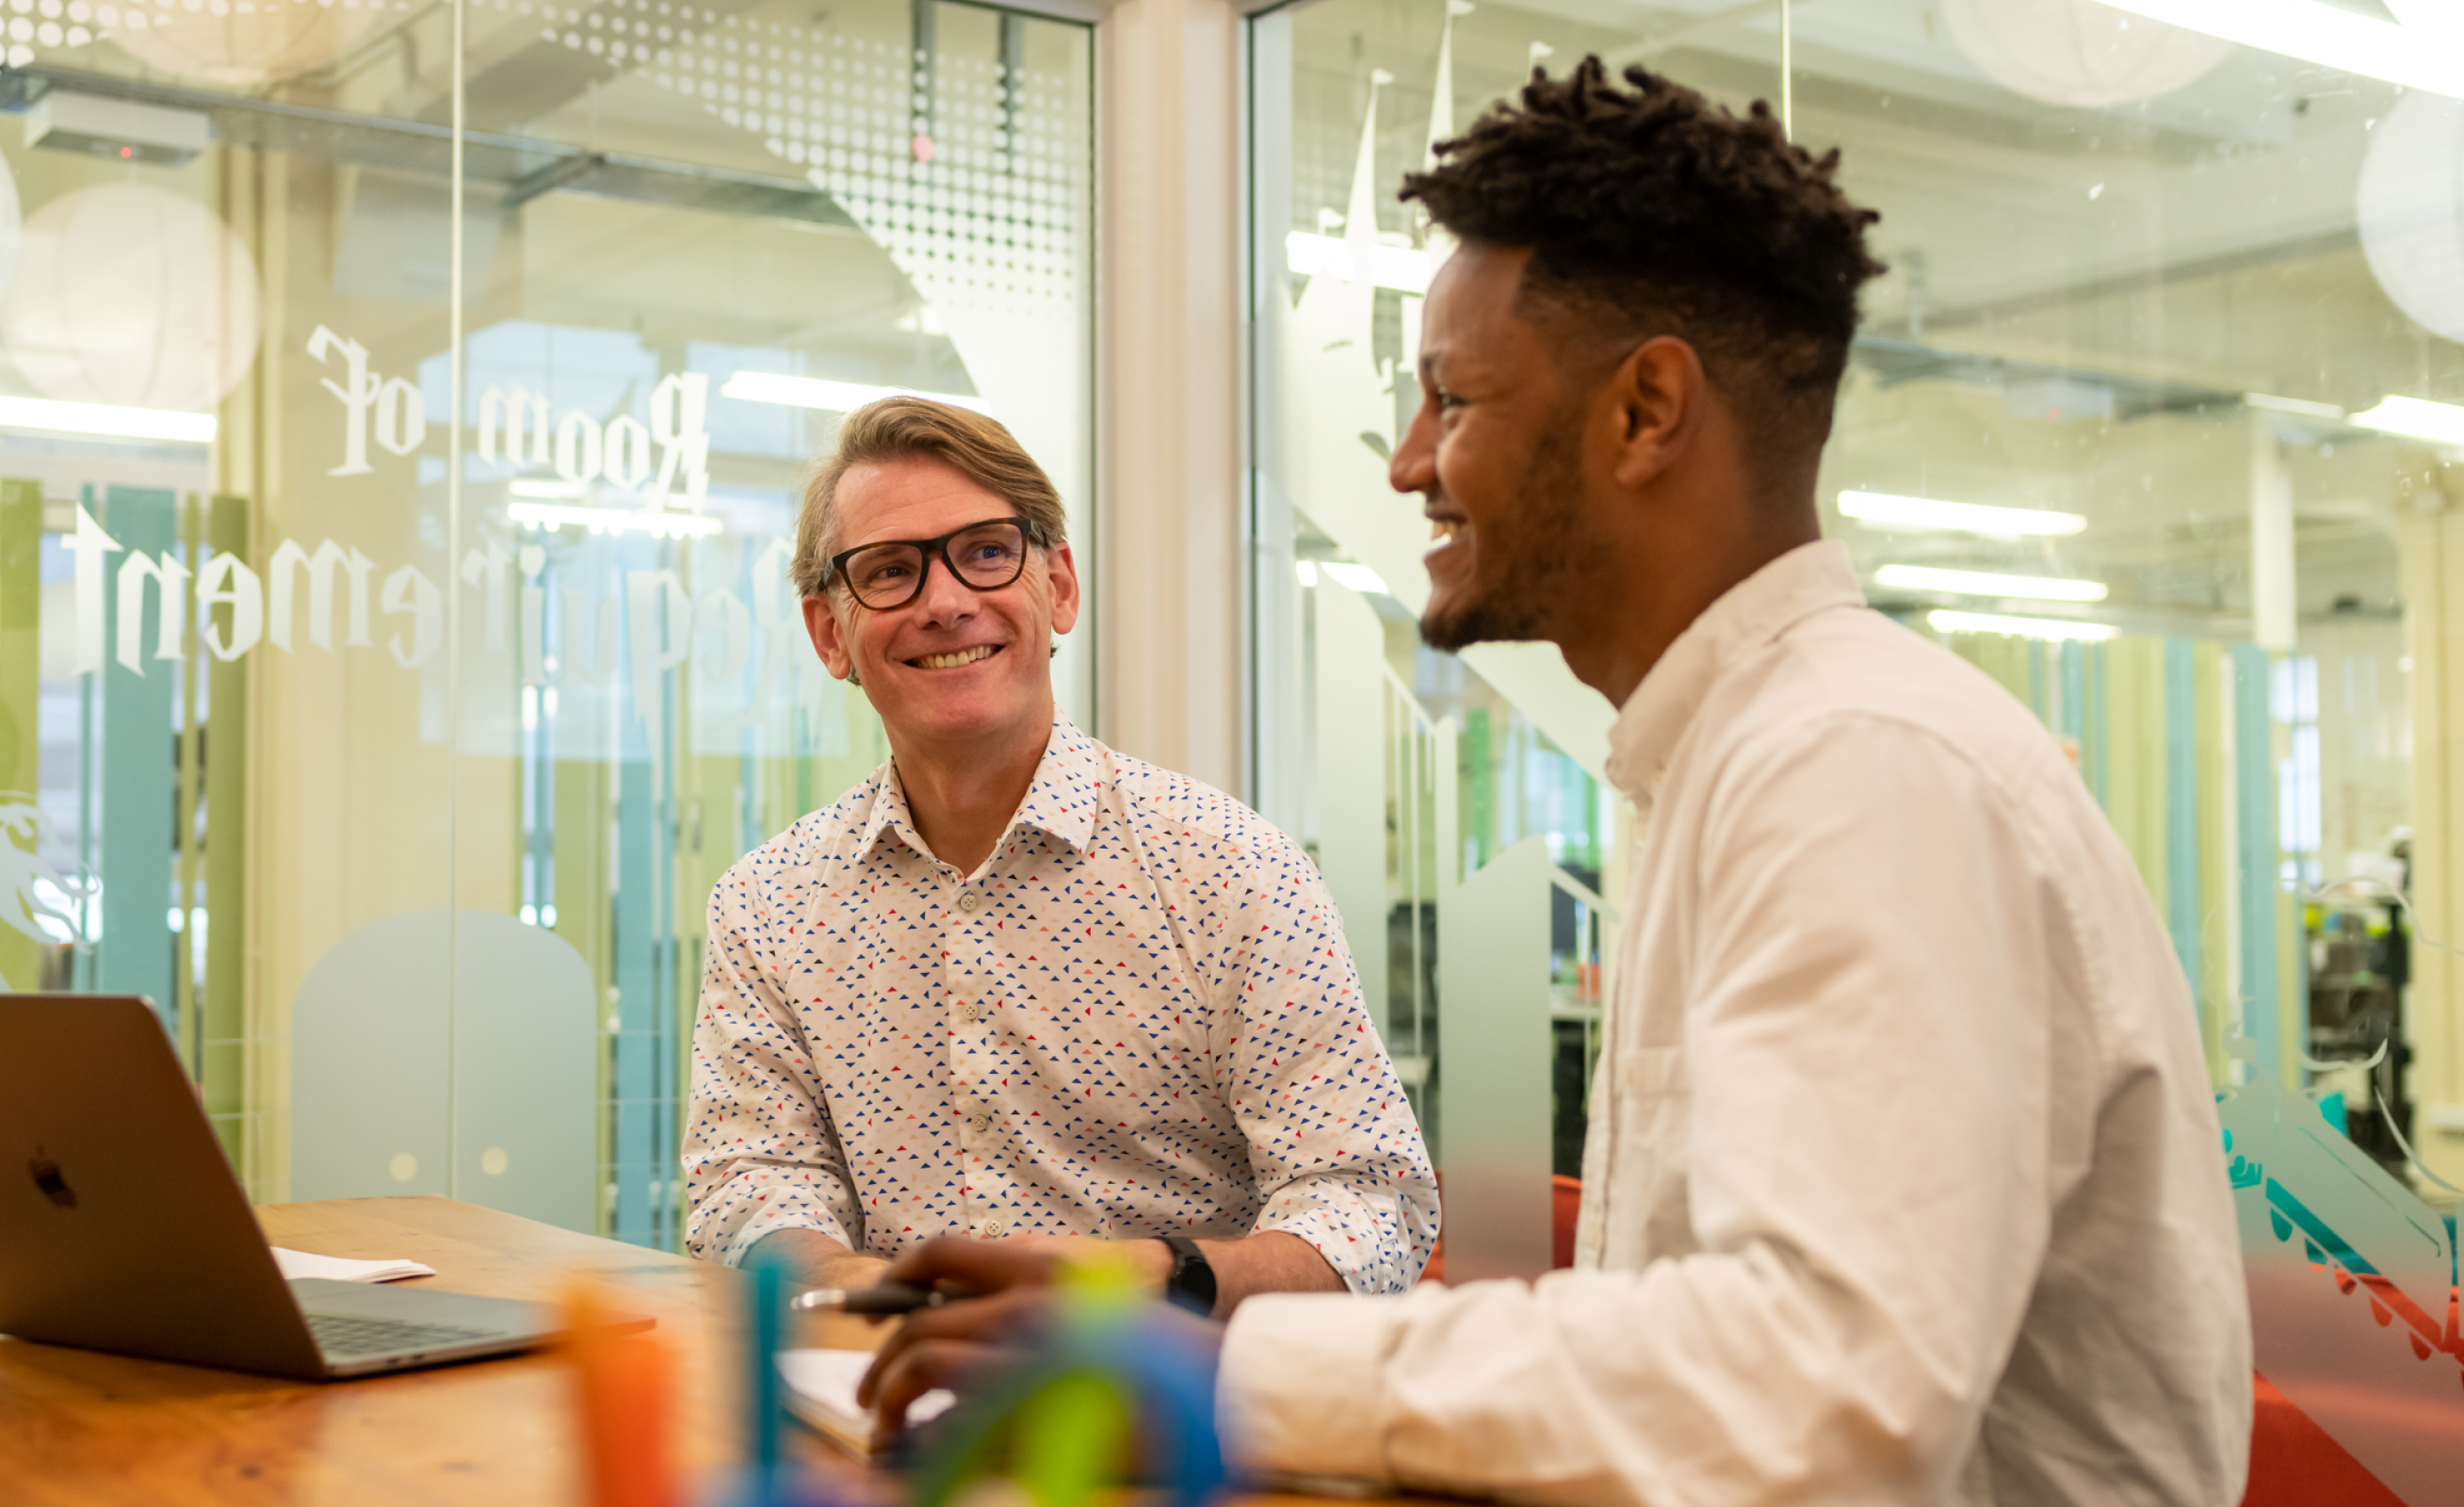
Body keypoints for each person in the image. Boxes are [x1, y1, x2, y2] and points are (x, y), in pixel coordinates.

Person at [857, 59, 2251, 1505]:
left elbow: (1817, 1394)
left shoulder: (1859, 768)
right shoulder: (1737, 759)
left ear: (1645, 412)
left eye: (1451, 399)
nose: (1407, 465)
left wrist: (1216, 1372)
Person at [682, 397, 1438, 1314]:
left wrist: (1150, 1282)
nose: (947, 602)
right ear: (829, 634)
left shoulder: (1231, 872)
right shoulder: (768, 907)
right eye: (889, 572)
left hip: (1166, 1421)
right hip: (879, 1399)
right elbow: (747, 1180)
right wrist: (863, 1288)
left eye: (988, 552)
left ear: (1061, 588)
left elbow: (1370, 1201)